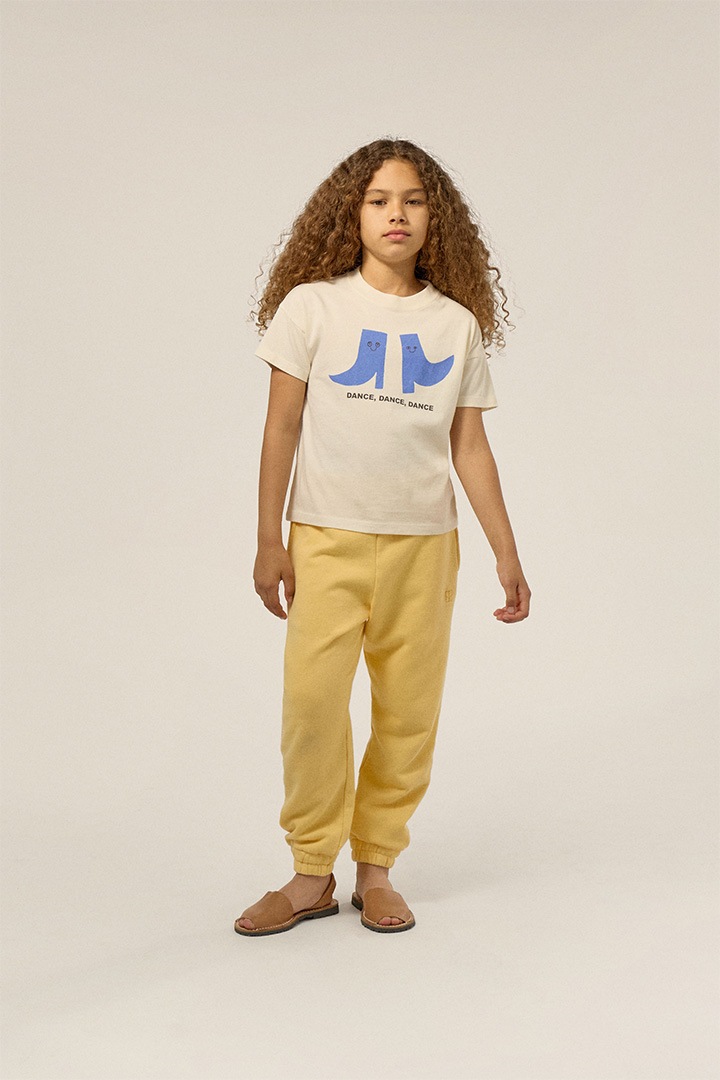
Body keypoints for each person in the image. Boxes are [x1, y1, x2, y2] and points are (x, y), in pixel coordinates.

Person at [234, 137, 531, 937]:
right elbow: (280, 427)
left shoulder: (455, 325)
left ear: (437, 219)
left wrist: (506, 550)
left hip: (423, 547)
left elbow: (470, 447)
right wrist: (269, 539)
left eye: (413, 200)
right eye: (378, 200)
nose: (396, 214)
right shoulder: (312, 308)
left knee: (408, 711)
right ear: (351, 215)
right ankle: (309, 872)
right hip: (324, 539)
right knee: (311, 705)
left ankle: (376, 867)